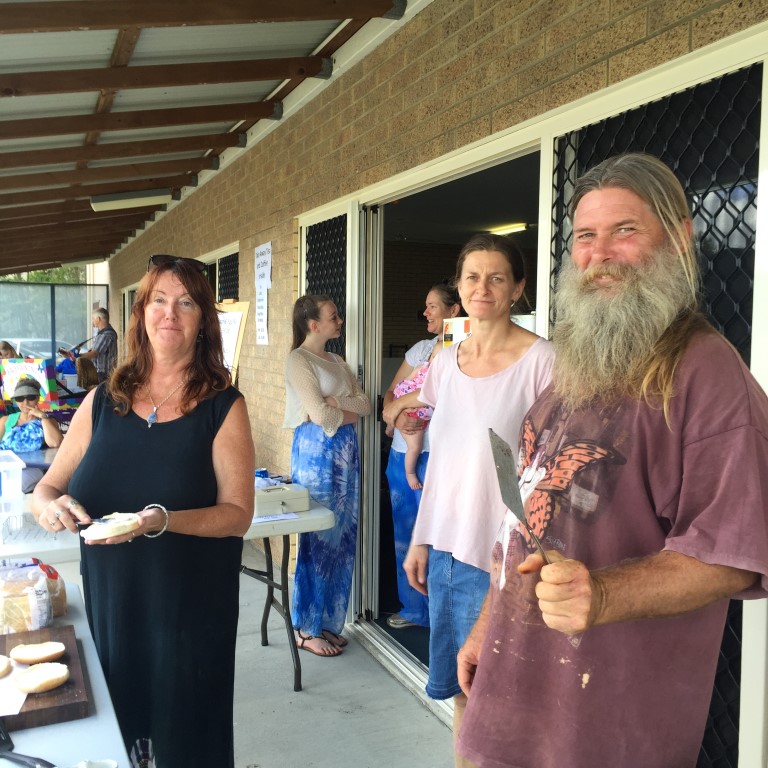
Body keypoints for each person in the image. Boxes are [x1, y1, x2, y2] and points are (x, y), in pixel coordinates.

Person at [455, 154, 768, 768]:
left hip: (604, 728)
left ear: (678, 238)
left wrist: (601, 594)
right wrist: (486, 626)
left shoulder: (706, 374)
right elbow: (524, 525)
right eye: (585, 237)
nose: (600, 255)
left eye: (625, 231)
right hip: (508, 701)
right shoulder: (575, 365)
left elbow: (735, 553)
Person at [31, 254, 255, 768]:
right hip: (114, 606)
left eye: (185, 303)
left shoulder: (224, 405)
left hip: (189, 611)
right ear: (141, 314)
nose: (169, 313)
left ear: (202, 321)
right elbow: (46, 487)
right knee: (116, 739)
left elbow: (238, 513)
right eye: (158, 300)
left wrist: (161, 520)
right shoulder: (101, 401)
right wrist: (51, 507)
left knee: (184, 742)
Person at [383, 234, 554, 752]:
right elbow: (434, 446)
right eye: (473, 276)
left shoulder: (543, 362)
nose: (483, 287)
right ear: (459, 287)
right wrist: (421, 539)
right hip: (447, 552)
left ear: (518, 288)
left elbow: (553, 472)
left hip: (505, 559)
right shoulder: (445, 360)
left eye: (497, 277)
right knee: (462, 693)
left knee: (507, 704)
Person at [283, 294, 371, 657]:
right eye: (333, 317)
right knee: (318, 540)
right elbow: (319, 416)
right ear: (313, 324)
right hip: (316, 456)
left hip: (346, 454)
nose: (339, 321)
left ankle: (328, 623)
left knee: (343, 537)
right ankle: (306, 628)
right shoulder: (298, 360)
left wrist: (337, 405)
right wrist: (339, 408)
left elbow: (366, 404)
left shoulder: (337, 360)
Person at [381, 283, 461, 629]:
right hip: (403, 454)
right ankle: (414, 609)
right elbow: (390, 395)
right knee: (406, 532)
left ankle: (444, 615)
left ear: (453, 311)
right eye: (426, 306)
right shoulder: (420, 349)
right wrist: (396, 415)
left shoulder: (465, 349)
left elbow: (452, 399)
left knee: (441, 536)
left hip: (441, 456)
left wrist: (403, 407)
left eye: (432, 306)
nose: (426, 312)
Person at [1, 376, 64, 491]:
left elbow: (55, 443)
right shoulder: (6, 420)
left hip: (33, 468)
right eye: (20, 398)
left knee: (12, 487)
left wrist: (42, 416)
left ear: (37, 398)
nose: (25, 402)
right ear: (15, 400)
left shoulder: (47, 420)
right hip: (7, 466)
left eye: (30, 397)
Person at [78, 307, 118, 382]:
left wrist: (77, 356)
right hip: (103, 374)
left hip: (104, 375)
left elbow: (94, 353)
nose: (92, 321)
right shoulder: (102, 334)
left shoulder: (106, 334)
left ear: (98, 319)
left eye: (93, 318)